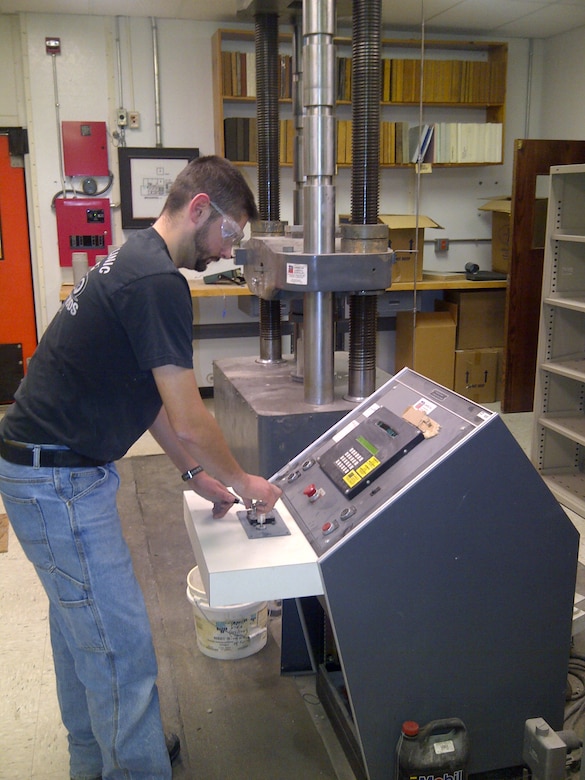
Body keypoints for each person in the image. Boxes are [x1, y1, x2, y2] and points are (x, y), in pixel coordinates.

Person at [0, 154, 282, 780]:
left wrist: (192, 474)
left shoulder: (132, 257)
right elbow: (188, 416)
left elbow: (146, 393)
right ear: (200, 209)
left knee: (82, 630)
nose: (227, 252)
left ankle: (100, 758)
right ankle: (133, 764)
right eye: (229, 235)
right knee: (119, 649)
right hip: (58, 481)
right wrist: (243, 480)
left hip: (44, 469)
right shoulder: (158, 282)